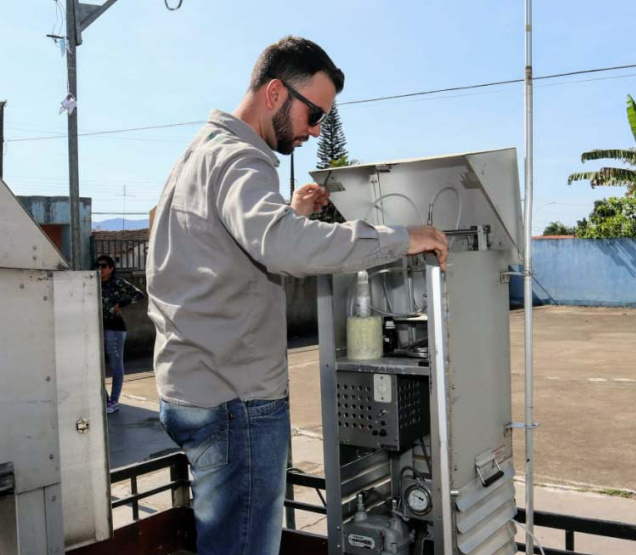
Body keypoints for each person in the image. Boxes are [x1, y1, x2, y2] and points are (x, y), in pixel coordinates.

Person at [146, 36, 448, 555]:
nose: (316, 131)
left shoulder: (202, 152)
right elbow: (282, 247)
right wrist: (403, 238)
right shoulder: (242, 157)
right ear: (274, 93)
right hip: (234, 401)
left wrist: (291, 213)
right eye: (314, 114)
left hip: (191, 390)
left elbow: (221, 251)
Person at [96, 254, 146, 414]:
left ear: (111, 269)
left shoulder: (117, 283)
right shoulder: (92, 283)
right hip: (97, 327)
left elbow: (139, 294)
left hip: (114, 328)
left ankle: (114, 401)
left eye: (104, 266)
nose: (100, 269)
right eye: (98, 265)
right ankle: (104, 400)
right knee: (96, 365)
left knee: (115, 364)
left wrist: (121, 304)